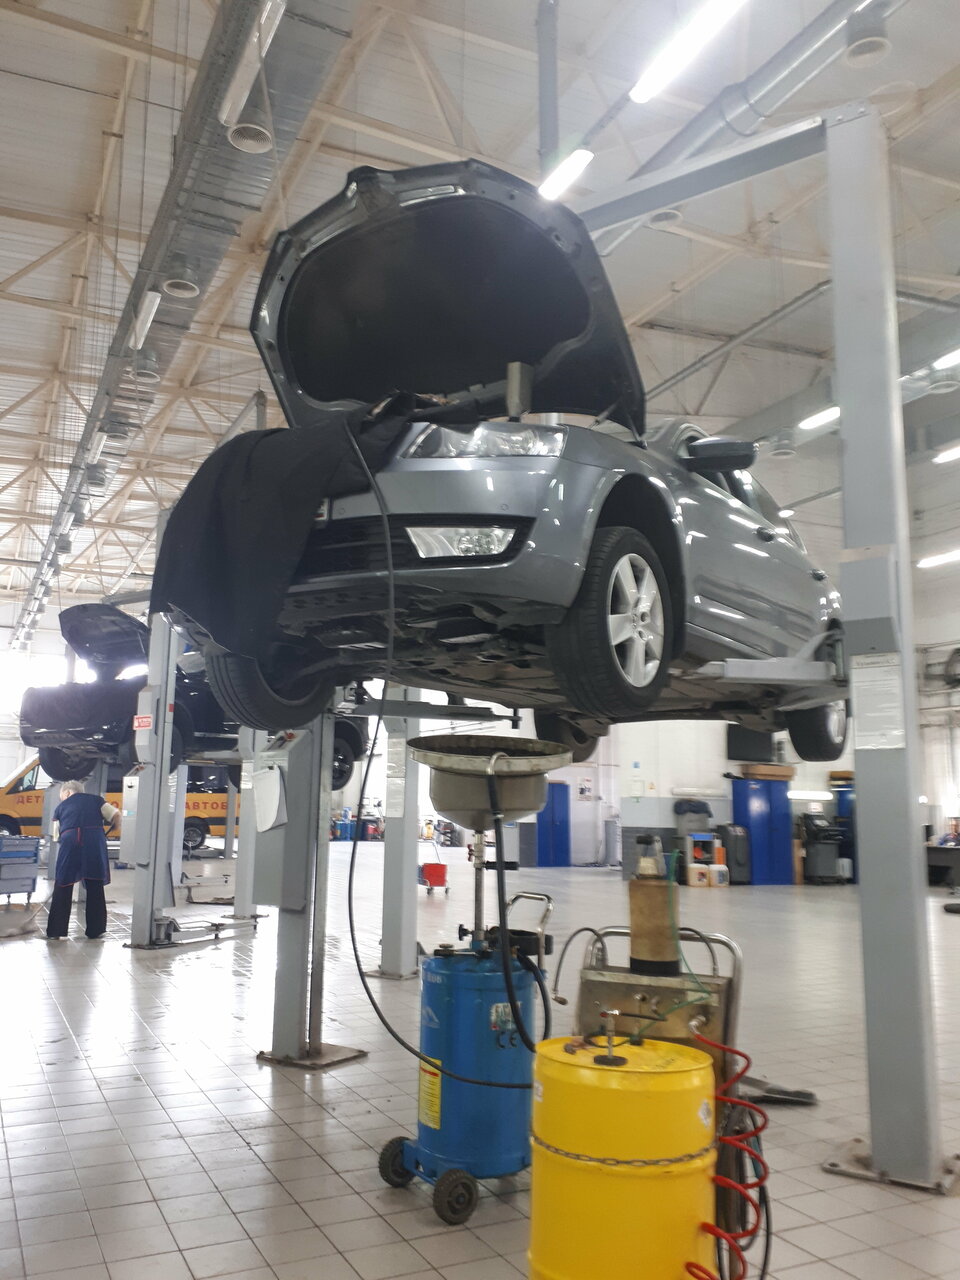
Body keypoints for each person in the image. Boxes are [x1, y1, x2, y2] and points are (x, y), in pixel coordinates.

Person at [46, 780, 119, 940]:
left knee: (63, 885)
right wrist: (115, 826)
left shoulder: (60, 808)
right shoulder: (97, 801)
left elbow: (56, 836)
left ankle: (56, 931)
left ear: (67, 793)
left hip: (70, 843)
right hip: (94, 845)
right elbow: (116, 815)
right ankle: (96, 930)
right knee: (95, 885)